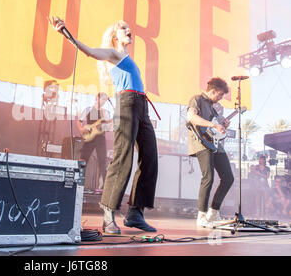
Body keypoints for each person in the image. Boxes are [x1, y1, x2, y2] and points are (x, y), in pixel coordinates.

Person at [49, 17, 159, 234]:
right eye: (124, 29)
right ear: (115, 37)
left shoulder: (127, 57)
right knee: (123, 157)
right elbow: (89, 51)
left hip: (142, 106)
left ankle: (136, 213)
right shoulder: (114, 54)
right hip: (126, 104)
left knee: (151, 157)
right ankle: (108, 214)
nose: (130, 30)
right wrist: (66, 32)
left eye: (129, 28)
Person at [186, 77, 234, 228]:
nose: (220, 98)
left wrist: (222, 125)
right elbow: (191, 117)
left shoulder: (213, 108)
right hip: (201, 142)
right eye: (219, 95)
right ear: (213, 91)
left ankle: (213, 212)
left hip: (215, 144)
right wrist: (213, 124)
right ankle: (201, 215)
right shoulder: (197, 99)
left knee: (228, 177)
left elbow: (215, 128)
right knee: (209, 177)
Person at [77, 92, 112, 193]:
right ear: (97, 98)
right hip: (89, 137)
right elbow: (79, 121)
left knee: (102, 160)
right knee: (83, 159)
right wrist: (81, 129)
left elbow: (108, 126)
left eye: (105, 100)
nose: (104, 101)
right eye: (102, 99)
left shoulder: (106, 112)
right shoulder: (88, 109)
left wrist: (108, 126)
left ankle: (102, 187)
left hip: (100, 138)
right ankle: (79, 183)